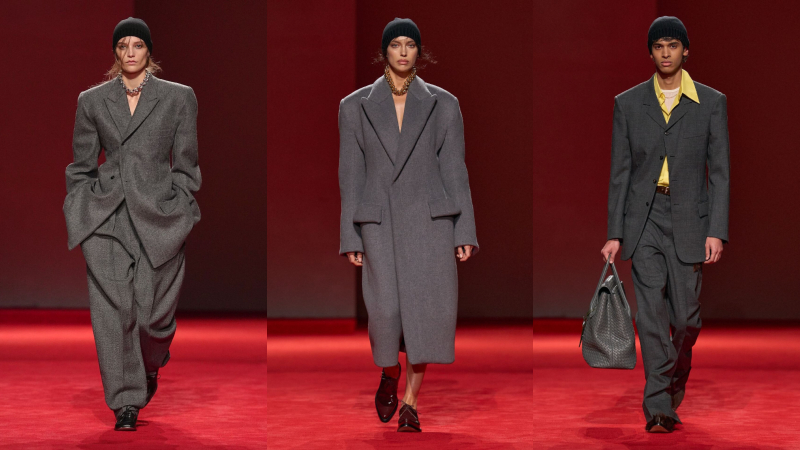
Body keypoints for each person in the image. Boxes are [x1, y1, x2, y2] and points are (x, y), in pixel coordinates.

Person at [338, 17, 478, 433]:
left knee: (424, 313)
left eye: (410, 44)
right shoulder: (354, 106)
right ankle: (390, 371)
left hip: (430, 223)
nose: (403, 51)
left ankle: (411, 404)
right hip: (378, 222)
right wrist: (350, 235)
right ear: (384, 51)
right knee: (386, 312)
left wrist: (464, 230)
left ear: (419, 51)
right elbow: (350, 176)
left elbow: (456, 171)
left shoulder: (443, 104)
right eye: (395, 44)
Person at [63, 17, 201, 431]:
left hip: (159, 215)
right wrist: (81, 208)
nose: (129, 52)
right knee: (113, 312)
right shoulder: (92, 100)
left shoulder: (178, 97)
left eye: (137, 44)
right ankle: (125, 401)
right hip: (107, 217)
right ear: (115, 52)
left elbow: (187, 164)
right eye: (122, 45)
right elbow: (81, 165)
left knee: (152, 318)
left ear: (148, 50)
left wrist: (181, 206)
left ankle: (151, 363)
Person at [601, 16, 730, 433]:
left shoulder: (710, 102)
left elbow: (720, 173)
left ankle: (675, 373)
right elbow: (620, 173)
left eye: (673, 45)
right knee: (651, 317)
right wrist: (615, 232)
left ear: (685, 50)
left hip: (691, 219)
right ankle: (658, 404)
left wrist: (717, 229)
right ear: (651, 53)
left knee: (687, 319)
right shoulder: (628, 103)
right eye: (658, 46)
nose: (666, 53)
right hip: (646, 218)